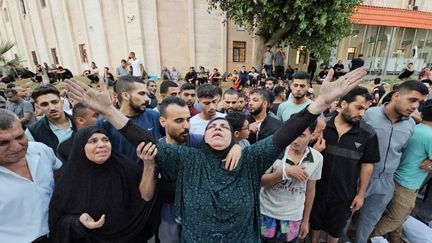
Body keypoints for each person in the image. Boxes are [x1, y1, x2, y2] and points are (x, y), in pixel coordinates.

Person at [64, 66, 367, 242]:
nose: (218, 128)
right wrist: (107, 109)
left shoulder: (250, 160)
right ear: (202, 136)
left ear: (235, 136)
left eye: (224, 126)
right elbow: (140, 138)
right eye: (212, 127)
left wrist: (318, 105)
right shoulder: (187, 159)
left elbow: (285, 133)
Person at [48, 126, 158, 243]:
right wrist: (78, 221)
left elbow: (146, 196)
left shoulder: (125, 168)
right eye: (93, 141)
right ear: (81, 147)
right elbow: (58, 221)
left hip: (131, 237)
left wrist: (148, 165)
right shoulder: (70, 180)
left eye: (105, 140)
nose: (102, 145)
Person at [352, 80, 429, 243]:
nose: (415, 106)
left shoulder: (410, 125)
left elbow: (403, 150)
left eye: (420, 103)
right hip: (359, 177)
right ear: (396, 96)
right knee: (344, 219)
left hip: (386, 182)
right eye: (412, 100)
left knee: (368, 222)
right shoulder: (369, 115)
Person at [310, 87, 380, 243]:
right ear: (343, 104)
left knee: (335, 230)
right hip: (316, 190)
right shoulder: (322, 126)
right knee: (314, 224)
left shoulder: (368, 134)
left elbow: (367, 165)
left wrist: (361, 194)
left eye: (365, 110)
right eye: (359, 108)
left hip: (344, 195)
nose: (362, 114)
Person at [370, 99, 432, 242]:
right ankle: (369, 235)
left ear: (422, 114)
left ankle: (394, 237)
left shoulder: (414, 128)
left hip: (394, 177)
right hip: (408, 184)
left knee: (393, 212)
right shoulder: (430, 136)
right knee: (397, 218)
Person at [0, 109, 62, 243]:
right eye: (3, 143)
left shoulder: (41, 150)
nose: (17, 147)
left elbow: (59, 175)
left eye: (20, 137)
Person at [260, 119, 323, 243]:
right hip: (265, 213)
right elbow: (261, 182)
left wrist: (305, 220)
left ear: (313, 135)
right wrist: (285, 172)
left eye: (302, 135)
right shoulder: (274, 151)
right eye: (292, 133)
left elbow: (310, 190)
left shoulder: (317, 158)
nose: (295, 140)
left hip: (292, 217)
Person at [97, 76, 161, 162]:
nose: (147, 99)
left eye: (146, 94)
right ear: (126, 96)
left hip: (151, 172)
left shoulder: (153, 116)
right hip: (120, 174)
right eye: (142, 94)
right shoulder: (105, 122)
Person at [25, 84, 76, 151]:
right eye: (44, 104)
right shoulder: (32, 132)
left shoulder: (81, 121)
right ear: (38, 107)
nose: (52, 108)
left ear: (62, 102)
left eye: (54, 102)